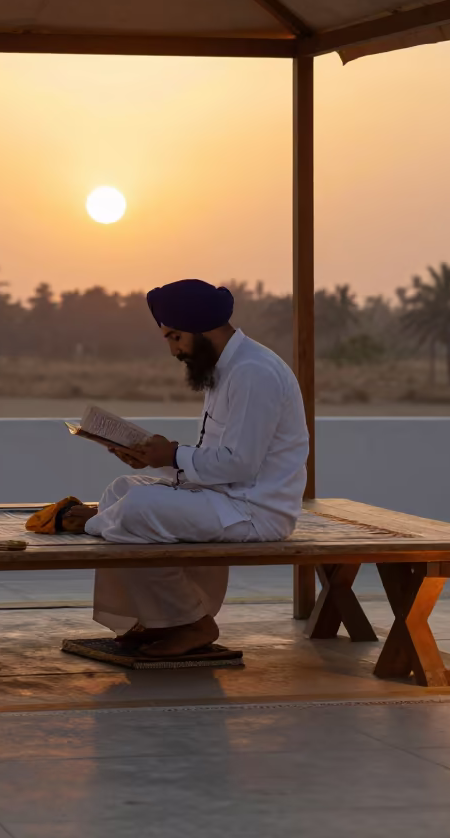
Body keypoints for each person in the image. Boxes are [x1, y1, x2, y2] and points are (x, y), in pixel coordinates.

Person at [65, 278, 309, 658]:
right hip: (225, 497)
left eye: (175, 337)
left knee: (136, 510)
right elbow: (217, 460)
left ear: (201, 329)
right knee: (122, 490)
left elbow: (240, 465)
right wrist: (155, 461)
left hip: (255, 511)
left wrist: (172, 455)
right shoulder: (225, 368)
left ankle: (193, 624)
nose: (174, 349)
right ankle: (158, 620)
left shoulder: (252, 373)